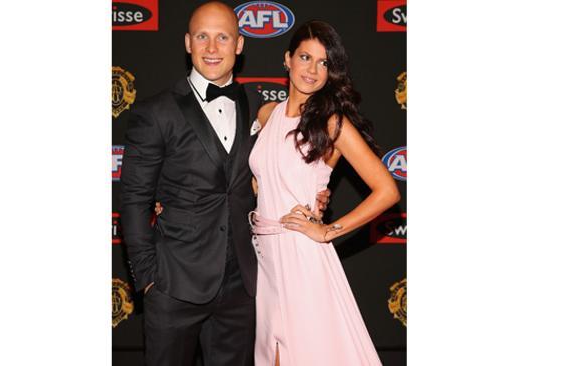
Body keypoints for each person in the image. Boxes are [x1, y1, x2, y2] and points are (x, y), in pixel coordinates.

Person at [120, 3, 328, 366]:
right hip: (174, 285)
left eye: (223, 37)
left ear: (240, 45)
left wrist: (312, 195)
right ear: (188, 42)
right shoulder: (155, 112)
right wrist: (149, 280)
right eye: (203, 36)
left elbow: (273, 172)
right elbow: (135, 199)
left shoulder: (258, 105)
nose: (212, 48)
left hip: (241, 288)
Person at [248, 20, 400, 366]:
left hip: (303, 257)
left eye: (323, 63)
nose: (312, 70)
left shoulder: (331, 123)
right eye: (305, 57)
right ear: (287, 60)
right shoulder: (267, 114)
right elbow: (261, 180)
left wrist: (328, 230)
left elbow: (387, 190)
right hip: (266, 257)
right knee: (272, 356)